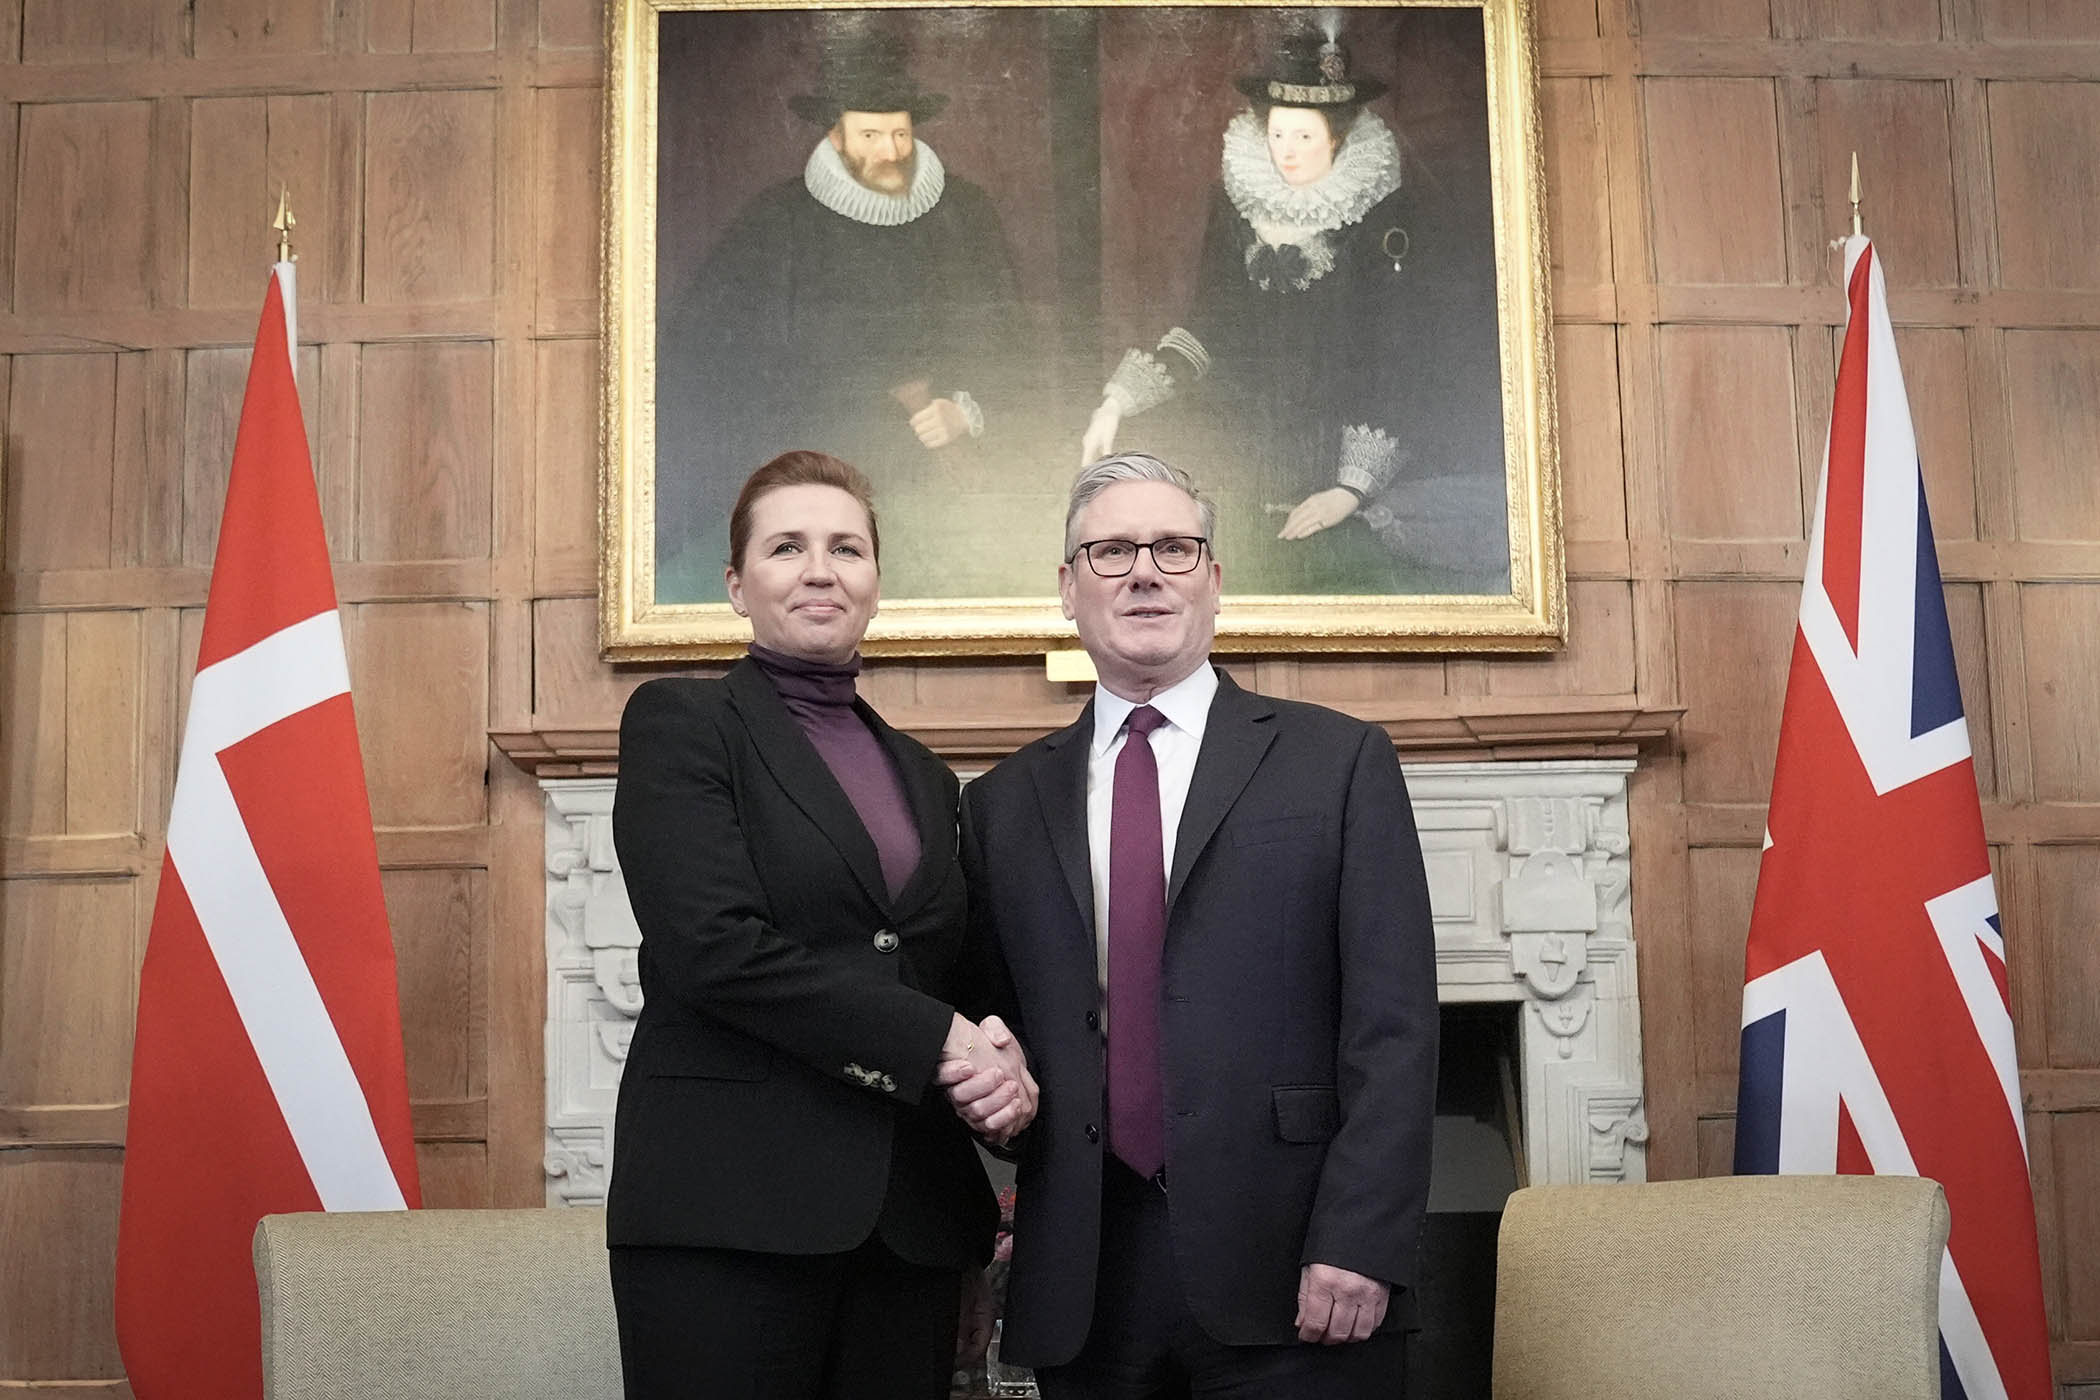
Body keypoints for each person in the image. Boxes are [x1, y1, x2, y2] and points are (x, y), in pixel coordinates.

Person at [946, 453, 1438, 1398]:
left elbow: (1396, 1028)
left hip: (1298, 1270)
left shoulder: (1337, 763)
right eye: (1112, 551)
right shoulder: (1001, 805)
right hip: (1087, 1285)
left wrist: (1362, 1239)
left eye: (1173, 548)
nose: (1144, 572)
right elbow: (1001, 1034)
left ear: (1213, 579)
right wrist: (996, 1097)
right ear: (1068, 589)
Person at [607, 450, 1038, 1399]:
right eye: (786, 548)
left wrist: (1004, 1074)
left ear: (875, 583)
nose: (819, 570)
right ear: (736, 585)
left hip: (910, 1234)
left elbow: (945, 978)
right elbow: (712, 948)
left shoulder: (928, 777)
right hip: (726, 1217)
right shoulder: (682, 724)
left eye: (846, 548)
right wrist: (943, 1039)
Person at [1079, 23, 1509, 594]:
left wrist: (1351, 489)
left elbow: (1400, 358)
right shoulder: (1236, 209)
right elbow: (1207, 329)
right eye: (1278, 133)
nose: (1287, 150)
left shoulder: (1386, 220)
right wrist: (1118, 402)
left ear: (1337, 139)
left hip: (1349, 453)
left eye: (1305, 136)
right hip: (1252, 446)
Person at [654, 27, 1031, 600]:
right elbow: (713, 361)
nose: (890, 151)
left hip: (939, 485)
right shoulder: (777, 222)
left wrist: (965, 410)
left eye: (900, 133)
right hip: (815, 484)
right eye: (871, 135)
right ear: (836, 136)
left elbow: (1014, 349)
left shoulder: (966, 214)